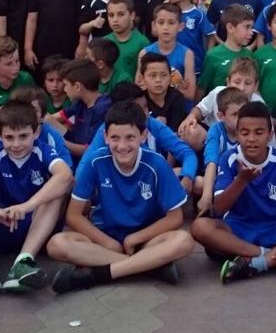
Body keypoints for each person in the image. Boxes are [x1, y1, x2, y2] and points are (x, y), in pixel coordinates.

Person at [47, 101, 195, 293]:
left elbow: (175, 218)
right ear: (105, 137)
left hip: (145, 239)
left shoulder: (156, 164)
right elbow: (73, 215)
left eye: (130, 137)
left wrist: (135, 238)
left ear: (142, 136)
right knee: (56, 245)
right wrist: (107, 242)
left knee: (184, 241)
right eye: (115, 138)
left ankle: (98, 274)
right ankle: (149, 266)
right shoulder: (96, 161)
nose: (122, 145)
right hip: (105, 238)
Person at [189, 102, 276, 283]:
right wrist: (241, 180)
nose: (251, 138)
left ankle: (256, 263)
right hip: (238, 229)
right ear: (237, 134)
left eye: (259, 132)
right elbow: (218, 209)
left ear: (270, 134)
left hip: (275, 227)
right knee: (199, 227)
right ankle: (272, 257)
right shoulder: (229, 158)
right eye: (245, 133)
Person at [0, 100, 72, 293]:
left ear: (35, 133)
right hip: (3, 222)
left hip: (35, 225)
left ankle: (24, 261)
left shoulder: (43, 151)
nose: (16, 144)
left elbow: (65, 175)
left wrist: (27, 206)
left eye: (23, 136)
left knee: (57, 192)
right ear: (0, 136)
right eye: (9, 137)